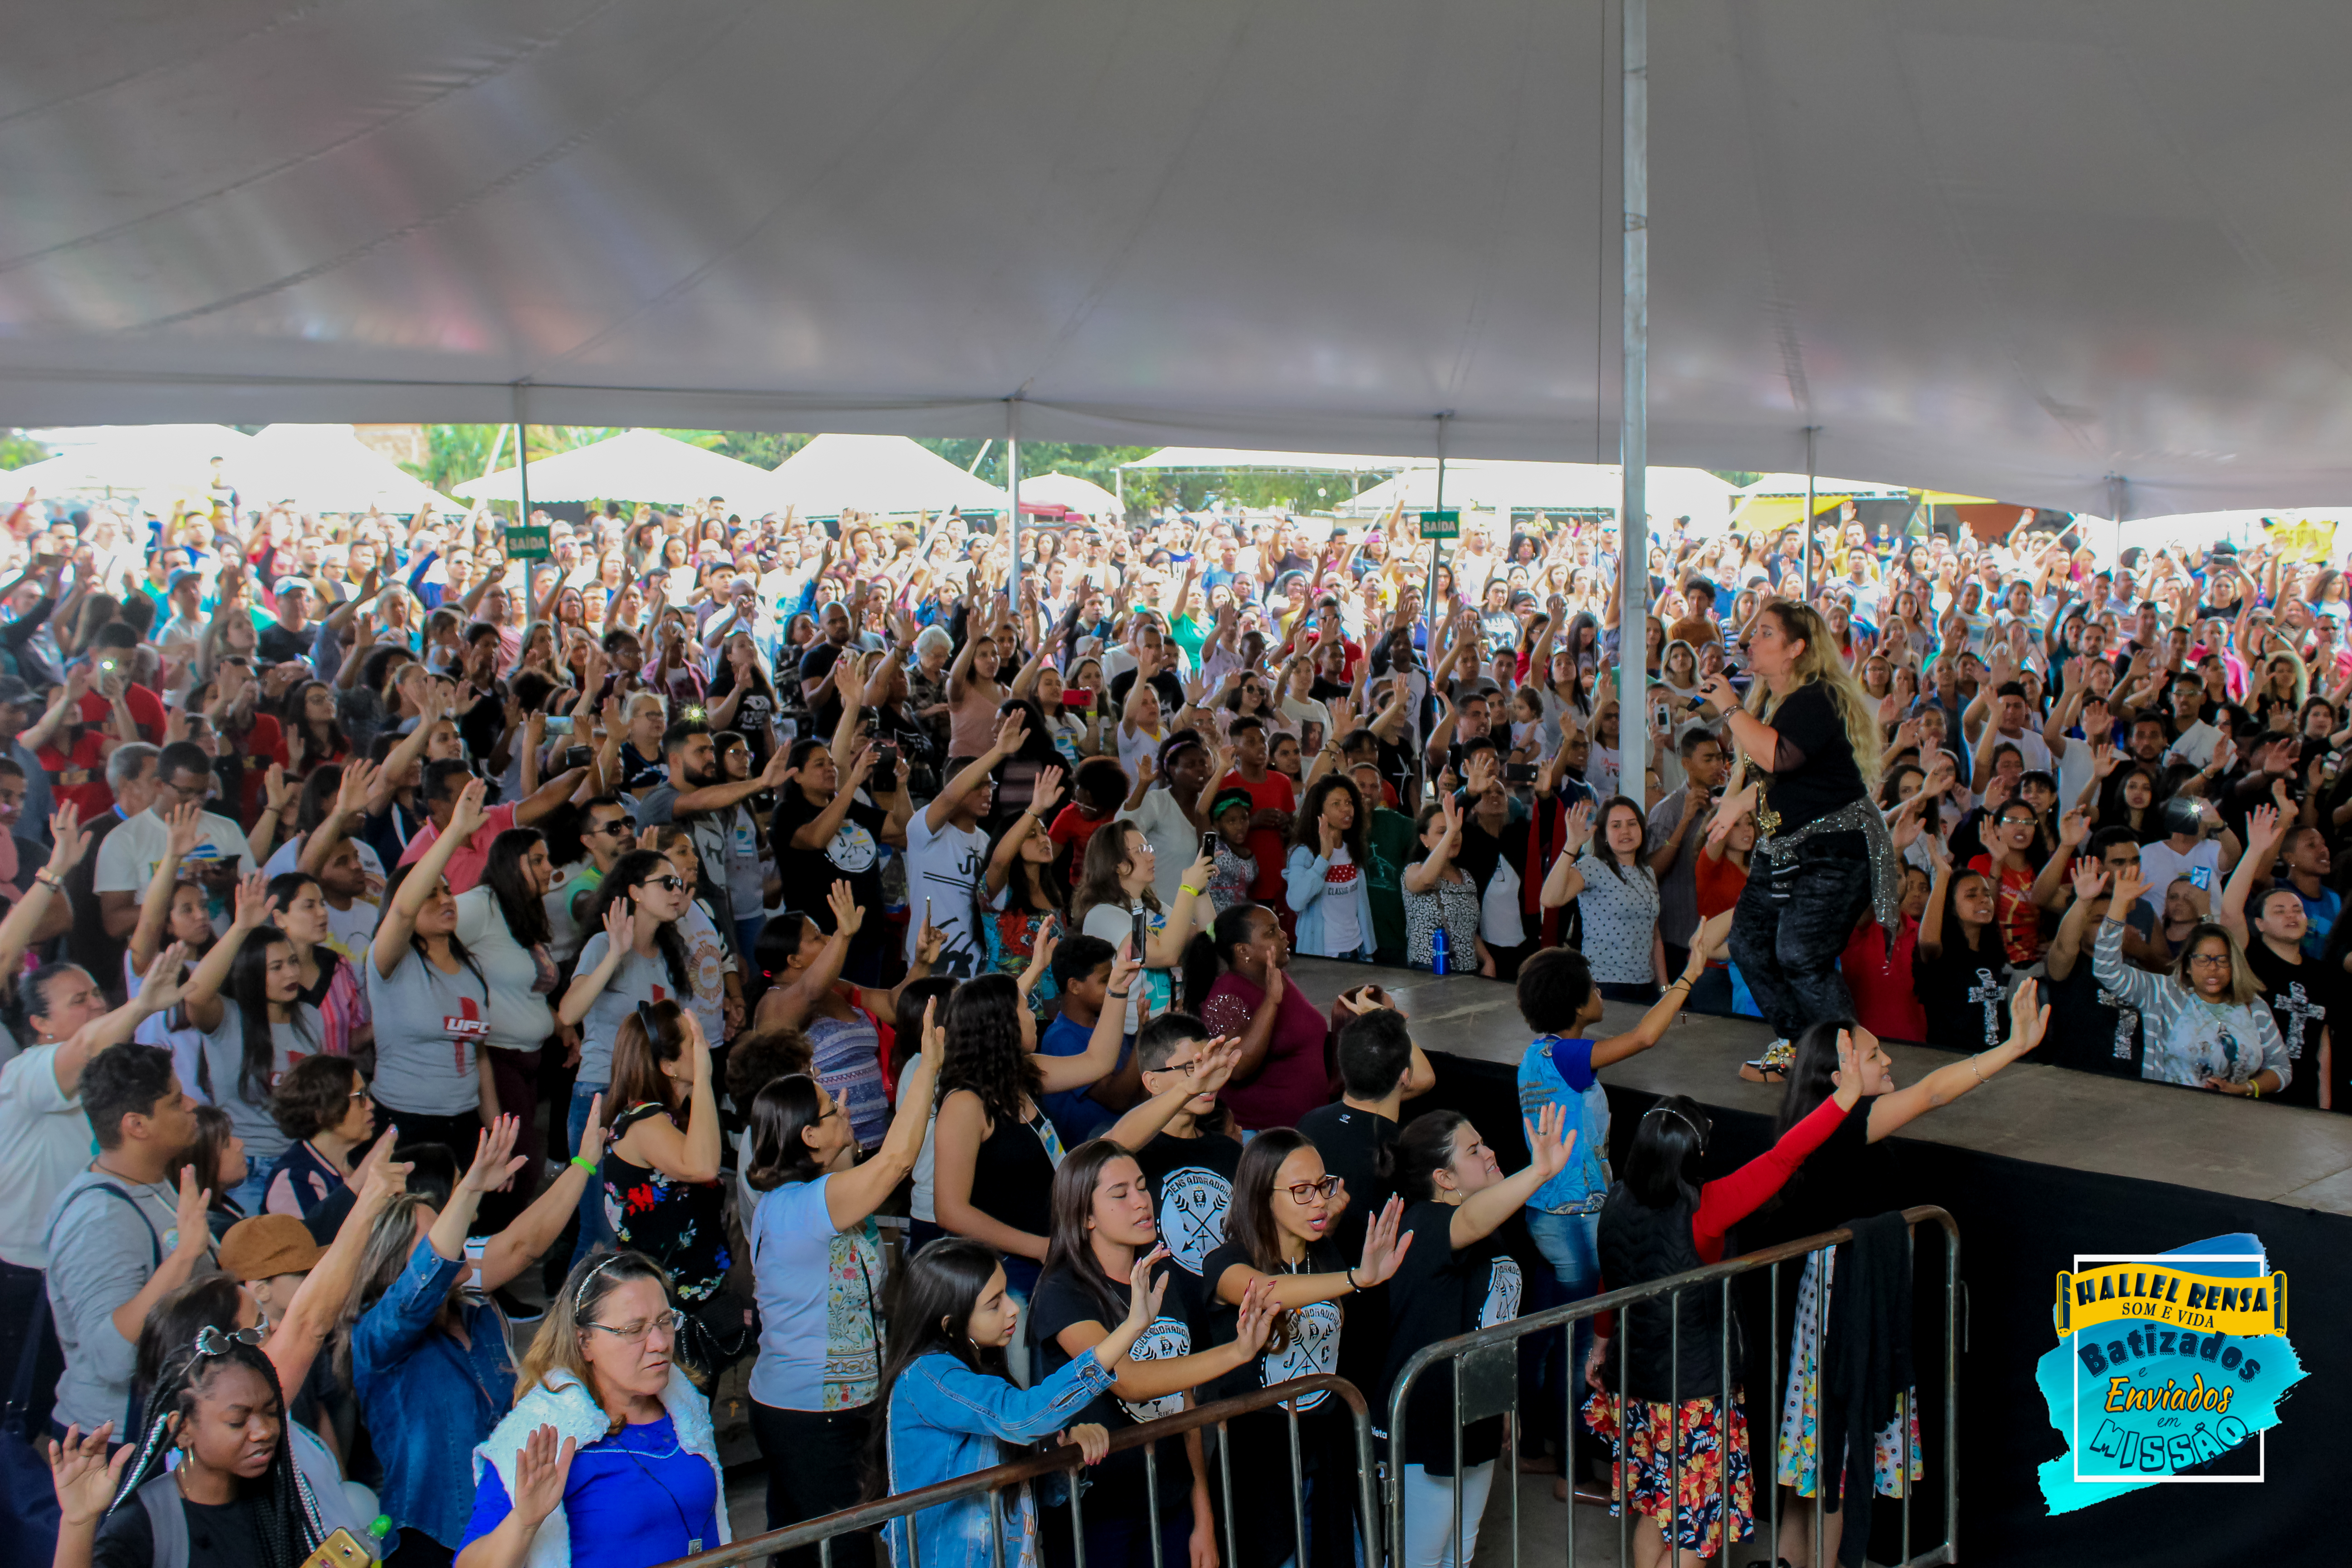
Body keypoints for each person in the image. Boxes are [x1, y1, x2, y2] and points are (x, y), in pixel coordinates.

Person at [1760, 988, 2049, 1568]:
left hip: (1831, 1309)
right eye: (1873, 1055)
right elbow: (1936, 1090)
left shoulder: (1821, 1125)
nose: (1888, 1060)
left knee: (1812, 1465)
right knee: (1836, 1461)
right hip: (1847, 1317)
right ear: (1837, 1073)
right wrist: (2011, 1048)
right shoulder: (1846, 1125)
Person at [1583, 1044, 1865, 1568]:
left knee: (1656, 1506)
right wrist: (1845, 1097)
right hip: (1693, 1394)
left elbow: (1609, 1281)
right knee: (1693, 1527)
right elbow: (1784, 1157)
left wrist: (1600, 1343)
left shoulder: (1615, 1201)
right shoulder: (1707, 1210)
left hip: (1637, 1386)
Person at [343, 1111, 606, 1568]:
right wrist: (470, 1190)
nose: (457, 1237)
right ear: (396, 1266)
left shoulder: (479, 1313)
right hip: (431, 1538)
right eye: (436, 1234)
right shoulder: (376, 1339)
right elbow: (418, 1291)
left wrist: (583, 1164)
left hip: (507, 1521)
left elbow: (525, 1243)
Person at [1511, 918, 1728, 1421]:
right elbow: (1645, 1037)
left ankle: (1534, 1443)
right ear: (1573, 1002)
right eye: (1591, 985)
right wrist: (1690, 974)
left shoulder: (1540, 1056)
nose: (1600, 990)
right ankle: (1570, 1465)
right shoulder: (1566, 1055)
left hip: (1548, 1214)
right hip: (1575, 1220)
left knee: (1544, 1335)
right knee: (1583, 1339)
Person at [1029, 1139, 1280, 1568]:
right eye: (1120, 1194)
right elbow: (1127, 1380)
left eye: (1143, 1187)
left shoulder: (1162, 1274)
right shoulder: (1062, 1293)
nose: (1142, 1201)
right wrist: (1237, 1352)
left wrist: (1202, 1512)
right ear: (1085, 1216)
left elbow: (1183, 1398)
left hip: (1170, 1499)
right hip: (1099, 1510)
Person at [743, 1049, 938, 1568]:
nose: (845, 1109)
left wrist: (840, 1137)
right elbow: (896, 1162)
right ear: (808, 1137)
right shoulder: (800, 1207)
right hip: (810, 1413)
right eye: (832, 1109)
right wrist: (930, 1066)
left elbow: (855, 1182)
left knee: (804, 1548)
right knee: (843, 1552)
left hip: (830, 1406)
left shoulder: (811, 1197)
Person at [871, 1235, 1162, 1568]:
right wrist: (1131, 1328)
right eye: (994, 1304)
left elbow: (1028, 1487)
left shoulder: (982, 1369)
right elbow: (1020, 1418)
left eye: (1006, 1293)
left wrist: (1066, 1455)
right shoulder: (927, 1376)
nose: (1013, 1308)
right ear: (950, 1325)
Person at [1202, 1130, 1412, 1568]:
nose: (1319, 1201)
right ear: (1262, 1195)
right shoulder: (1226, 1260)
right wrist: (1358, 1279)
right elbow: (1264, 1290)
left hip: (1328, 1448)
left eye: (1323, 1185)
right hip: (1261, 1462)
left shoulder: (1325, 1254)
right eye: (1301, 1191)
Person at [929, 954, 1142, 1377]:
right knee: (1031, 1386)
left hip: (1055, 1259)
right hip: (1013, 1274)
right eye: (1024, 1010)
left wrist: (1118, 985)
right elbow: (949, 1210)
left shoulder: (1022, 1075)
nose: (1032, 1016)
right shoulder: (966, 1104)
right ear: (1000, 1028)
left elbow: (1098, 1061)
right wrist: (1040, 1247)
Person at [1380, 1105, 1574, 1568]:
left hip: (1477, 1418)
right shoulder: (1423, 1225)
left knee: (1459, 1556)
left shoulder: (1489, 1232)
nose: (1489, 1153)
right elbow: (1464, 1225)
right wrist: (1539, 1171)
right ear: (1444, 1178)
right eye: (1474, 1149)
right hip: (1431, 1429)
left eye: (1484, 1142)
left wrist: (1502, 1401)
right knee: (1419, 1561)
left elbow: (1492, 1322)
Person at [1699, 601, 1900, 1046]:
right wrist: (1738, 802)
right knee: (1748, 945)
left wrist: (1731, 709)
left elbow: (1779, 757)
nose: (1752, 640)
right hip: (1790, 847)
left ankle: (1850, 1062)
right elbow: (1792, 782)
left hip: (1834, 850)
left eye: (1766, 633)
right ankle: (1801, 1047)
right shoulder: (1777, 703)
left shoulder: (1818, 697)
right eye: (1753, 632)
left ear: (1796, 649)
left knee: (1800, 953)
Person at [454, 1251, 729, 1568]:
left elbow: (720, 1532)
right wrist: (525, 1522)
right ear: (584, 1341)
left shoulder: (684, 1410)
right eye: (634, 1329)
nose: (659, 1343)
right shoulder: (542, 1436)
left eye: (665, 1322)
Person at [40, 1040, 211, 1443]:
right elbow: (113, 1358)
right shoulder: (98, 1221)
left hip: (161, 1425)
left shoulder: (150, 1182)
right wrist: (185, 1256)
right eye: (174, 1101)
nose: (191, 1104)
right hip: (119, 1443)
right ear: (136, 1125)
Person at [45, 1331, 328, 1568]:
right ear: (182, 1430)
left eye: (271, 1412)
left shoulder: (280, 1501)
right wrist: (78, 1523)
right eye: (237, 1421)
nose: (264, 1431)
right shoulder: (145, 1523)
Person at [557, 850, 696, 1263]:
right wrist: (615, 955)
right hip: (601, 1097)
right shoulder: (603, 944)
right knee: (601, 1232)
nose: (677, 891)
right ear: (634, 892)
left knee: (640, 1229)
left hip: (651, 1102)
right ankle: (574, 1326)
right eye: (666, 883)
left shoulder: (672, 952)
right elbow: (568, 1013)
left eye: (680, 883)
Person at [368, 779, 497, 1155]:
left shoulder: (470, 967)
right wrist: (455, 832)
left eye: (447, 890)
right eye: (431, 893)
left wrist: (492, 1130)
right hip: (405, 1122)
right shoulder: (390, 962)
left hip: (465, 1121)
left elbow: (479, 1054)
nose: (445, 899)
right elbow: (404, 908)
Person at [177, 875, 320, 1214]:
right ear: (251, 972)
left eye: (293, 963)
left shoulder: (310, 1016)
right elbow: (195, 993)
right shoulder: (228, 1017)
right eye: (276, 967)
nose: (290, 974)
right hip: (246, 1171)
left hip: (301, 1164)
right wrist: (240, 928)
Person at [2094, 861, 2293, 1096]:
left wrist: (2248, 1088)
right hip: (2166, 1117)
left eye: (2222, 960)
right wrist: (2118, 907)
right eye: (2203, 960)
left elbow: (2282, 1069)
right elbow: (2107, 970)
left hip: (2235, 1122)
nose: (2213, 968)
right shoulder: (2162, 993)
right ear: (2188, 965)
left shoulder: (2254, 1006)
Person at [598, 1001, 728, 1311]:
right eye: (693, 1041)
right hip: (666, 1304)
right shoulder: (644, 1122)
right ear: (668, 1066)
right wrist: (705, 1079)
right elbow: (704, 1167)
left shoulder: (664, 1117)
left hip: (688, 1294)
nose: (705, 1046)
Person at [452, 829, 559, 1190]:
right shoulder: (479, 905)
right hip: (497, 1060)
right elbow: (431, 945)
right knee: (516, 1168)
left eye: (547, 859)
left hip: (531, 1060)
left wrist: (562, 1026)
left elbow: (527, 986)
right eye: (537, 860)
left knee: (524, 1164)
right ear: (509, 865)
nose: (549, 869)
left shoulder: (522, 909)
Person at [769, 737, 909, 985]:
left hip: (868, 933)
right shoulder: (787, 813)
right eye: (819, 764)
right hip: (821, 940)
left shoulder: (850, 808)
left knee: (863, 1016)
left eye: (832, 763)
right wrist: (853, 782)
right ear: (797, 776)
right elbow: (816, 838)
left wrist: (902, 786)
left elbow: (901, 826)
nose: (830, 769)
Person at [2219, 804, 2332, 1107]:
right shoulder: (2251, 957)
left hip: (2305, 1097)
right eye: (2279, 911)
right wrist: (2255, 850)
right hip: (2252, 1093)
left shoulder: (2321, 973)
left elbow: (2322, 1046)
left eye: (2297, 910)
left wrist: (2326, 1107)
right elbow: (2230, 913)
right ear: (2260, 924)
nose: (2292, 916)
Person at [1186, 903, 1333, 1130]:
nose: (1284, 935)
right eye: (1271, 932)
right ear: (1243, 950)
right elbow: (1238, 1067)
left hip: (1304, 1126)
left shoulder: (1275, 977)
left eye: (1279, 928)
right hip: (1263, 1136)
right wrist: (1271, 1001)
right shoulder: (1226, 996)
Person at [1073, 819, 1210, 1036]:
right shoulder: (1102, 915)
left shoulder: (1154, 907)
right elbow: (1165, 954)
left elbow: (1207, 939)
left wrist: (1200, 890)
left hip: (1169, 1026)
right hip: (1130, 1035)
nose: (1152, 856)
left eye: (1150, 848)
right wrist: (1188, 889)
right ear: (1115, 863)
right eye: (1141, 851)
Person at [1540, 796, 1666, 1001]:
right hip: (1605, 985)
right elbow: (1550, 899)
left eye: (1632, 824)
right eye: (1616, 826)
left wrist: (1664, 989)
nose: (1625, 831)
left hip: (1646, 985)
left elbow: (1655, 935)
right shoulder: (1593, 866)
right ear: (1604, 835)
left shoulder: (1648, 872)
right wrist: (1572, 844)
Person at [1911, 845, 2012, 1055]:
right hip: (1952, 1066)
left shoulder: (1992, 956)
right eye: (1971, 895)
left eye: (1986, 894)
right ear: (1951, 907)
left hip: (1996, 1064)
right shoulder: (1942, 957)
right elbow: (1928, 941)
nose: (1984, 899)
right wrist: (1943, 876)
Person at [261, 1055, 375, 1219]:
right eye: (360, 1097)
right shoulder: (295, 1179)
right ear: (321, 1112)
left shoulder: (359, 1162)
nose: (371, 1105)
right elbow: (314, 1240)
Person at [1284, 774, 1376, 961]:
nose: (1346, 809)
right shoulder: (1304, 854)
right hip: (1324, 952)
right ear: (1320, 811)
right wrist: (1324, 858)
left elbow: (1362, 907)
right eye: (1336, 804)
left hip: (1357, 949)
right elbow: (1295, 901)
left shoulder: (1353, 850)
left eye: (1349, 803)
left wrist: (1369, 950)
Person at [1402, 793, 1488, 974]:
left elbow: (1467, 928)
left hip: (1467, 974)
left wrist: (1488, 960)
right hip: (1428, 971)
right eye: (1443, 831)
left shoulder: (1466, 877)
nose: (1454, 836)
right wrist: (1452, 832)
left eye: (1457, 831)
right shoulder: (1413, 871)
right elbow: (1426, 880)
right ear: (1424, 839)